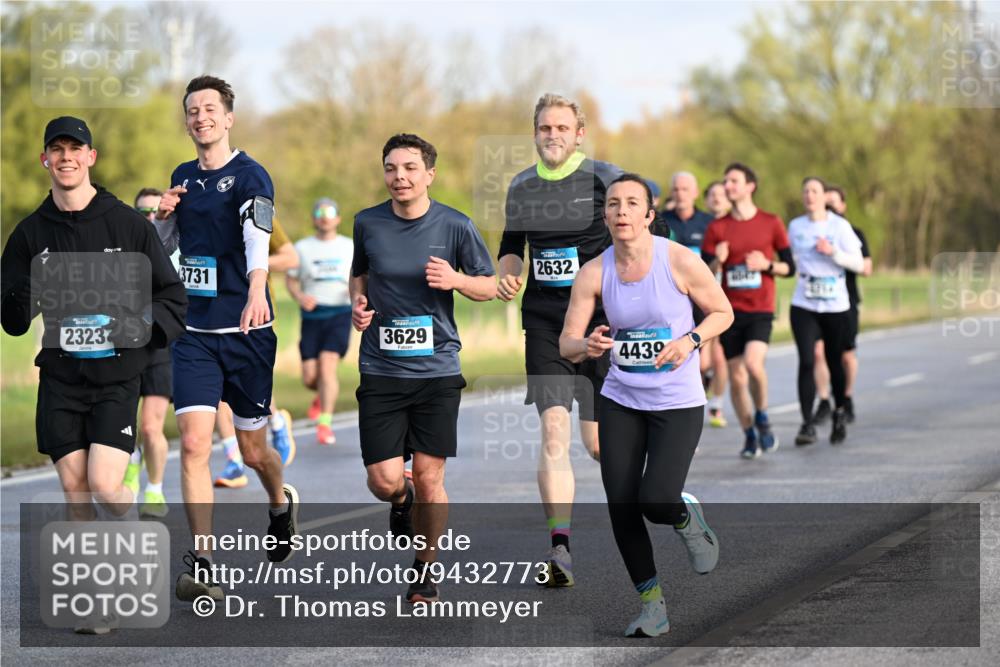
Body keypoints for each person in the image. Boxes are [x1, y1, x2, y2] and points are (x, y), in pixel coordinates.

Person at [1, 117, 187, 633]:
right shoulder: (30, 233)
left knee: (106, 485)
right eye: (55, 149)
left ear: (91, 157)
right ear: (45, 160)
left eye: (74, 149)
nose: (65, 157)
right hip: (60, 377)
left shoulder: (127, 224)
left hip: (115, 376)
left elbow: (172, 297)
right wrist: (20, 293)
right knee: (76, 488)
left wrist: (137, 330)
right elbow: (13, 320)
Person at [559, 174, 732, 637]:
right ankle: (652, 605)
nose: (621, 211)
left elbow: (723, 312)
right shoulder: (594, 271)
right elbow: (567, 343)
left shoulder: (677, 260)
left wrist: (690, 340)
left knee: (655, 499)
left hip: (677, 401)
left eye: (632, 203)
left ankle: (684, 516)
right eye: (613, 204)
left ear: (649, 215)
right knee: (621, 504)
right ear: (605, 216)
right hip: (621, 398)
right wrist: (588, 344)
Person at [154, 76, 299, 602]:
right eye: (192, 111)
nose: (201, 118)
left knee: (253, 450)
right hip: (193, 332)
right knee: (194, 443)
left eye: (210, 109)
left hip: (246, 332)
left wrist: (258, 288)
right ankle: (204, 559)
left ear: (229, 118)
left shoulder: (251, 175)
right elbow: (165, 245)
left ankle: (279, 503)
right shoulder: (181, 177)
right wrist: (161, 217)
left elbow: (255, 237)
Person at [350, 133, 495, 603]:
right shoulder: (367, 223)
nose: (400, 177)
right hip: (380, 368)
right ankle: (401, 499)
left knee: (432, 478)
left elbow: (490, 286)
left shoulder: (455, 225)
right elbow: (360, 274)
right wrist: (357, 302)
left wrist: (456, 279)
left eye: (410, 168)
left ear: (429, 174)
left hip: (436, 371)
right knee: (383, 481)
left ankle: (425, 568)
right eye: (391, 168)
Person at [497, 94, 622, 586]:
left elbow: (639, 237)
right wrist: (509, 274)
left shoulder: (604, 179)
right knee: (553, 431)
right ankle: (560, 549)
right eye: (544, 128)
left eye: (561, 128)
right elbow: (512, 245)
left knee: (597, 445)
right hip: (546, 324)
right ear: (535, 133)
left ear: (578, 133)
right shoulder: (522, 186)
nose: (552, 135)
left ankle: (657, 494)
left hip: (599, 324)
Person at [702, 163, 795, 459]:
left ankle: (763, 415)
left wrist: (767, 265)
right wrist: (719, 261)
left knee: (754, 366)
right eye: (726, 181)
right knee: (737, 377)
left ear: (750, 186)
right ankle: (749, 434)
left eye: (733, 181)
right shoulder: (718, 228)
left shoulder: (771, 222)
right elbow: (703, 273)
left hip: (760, 309)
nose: (727, 186)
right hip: (730, 312)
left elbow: (789, 267)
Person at [213, 214, 299, 488]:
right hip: (211, 316)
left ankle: (276, 424)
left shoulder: (256, 211)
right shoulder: (198, 206)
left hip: (254, 314)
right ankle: (233, 460)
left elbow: (290, 258)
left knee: (248, 387)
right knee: (216, 391)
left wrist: (250, 265)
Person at [789, 178, 864, 445]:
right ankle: (807, 423)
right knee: (807, 361)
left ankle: (839, 412)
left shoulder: (839, 226)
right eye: (806, 191)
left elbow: (858, 263)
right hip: (804, 304)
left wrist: (833, 252)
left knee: (835, 361)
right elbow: (791, 260)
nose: (810, 195)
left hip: (835, 306)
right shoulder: (796, 226)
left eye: (815, 191)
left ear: (823, 197)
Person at [122, 188, 177, 519]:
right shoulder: (121, 249)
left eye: (156, 212)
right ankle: (131, 461)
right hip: (126, 345)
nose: (150, 218)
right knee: (122, 422)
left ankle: (154, 490)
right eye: (142, 213)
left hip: (161, 345)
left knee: (150, 427)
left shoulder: (177, 246)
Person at [286, 198, 353, 446]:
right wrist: (300, 297)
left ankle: (324, 423)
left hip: (340, 313)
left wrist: (354, 292)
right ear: (314, 218)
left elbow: (361, 275)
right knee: (310, 377)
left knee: (328, 366)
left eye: (330, 212)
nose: (325, 217)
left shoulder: (350, 246)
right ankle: (322, 398)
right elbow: (291, 280)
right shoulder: (302, 248)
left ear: (338, 218)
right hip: (312, 316)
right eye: (320, 212)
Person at [812, 185, 872, 425]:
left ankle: (846, 397)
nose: (829, 208)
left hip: (845, 303)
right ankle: (824, 400)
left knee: (845, 355)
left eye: (834, 203)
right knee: (818, 353)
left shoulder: (853, 232)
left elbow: (867, 268)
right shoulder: (812, 232)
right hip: (816, 303)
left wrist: (834, 253)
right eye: (825, 203)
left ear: (843, 206)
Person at [703, 180, 731, 427]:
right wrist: (717, 261)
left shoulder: (736, 225)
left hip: (732, 300)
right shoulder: (706, 225)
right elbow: (704, 269)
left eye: (721, 194)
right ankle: (704, 390)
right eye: (712, 194)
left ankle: (717, 404)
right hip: (702, 298)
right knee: (704, 360)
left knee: (720, 356)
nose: (717, 198)